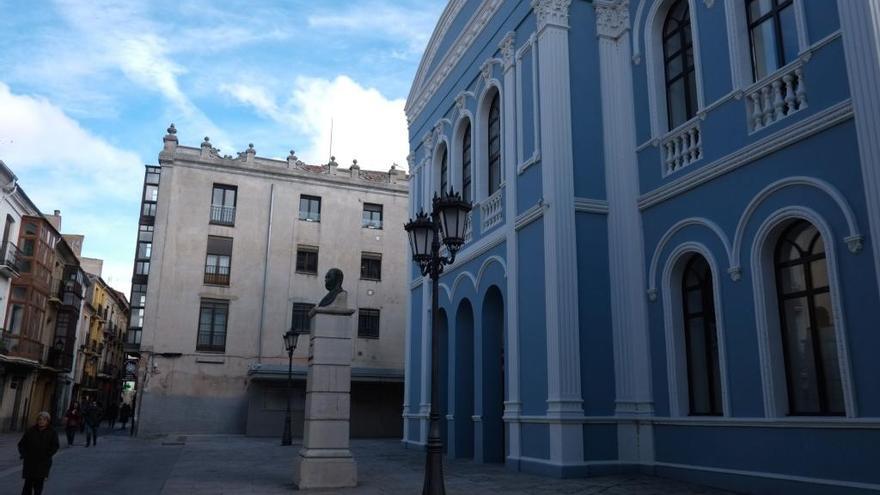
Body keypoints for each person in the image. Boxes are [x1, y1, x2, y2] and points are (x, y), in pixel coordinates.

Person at [17, 411, 59, 495]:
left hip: (43, 462)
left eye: (44, 420)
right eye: (39, 419)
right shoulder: (31, 430)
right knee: (27, 484)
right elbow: (21, 444)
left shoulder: (52, 432)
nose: (41, 421)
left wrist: (48, 454)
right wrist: (24, 454)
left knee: (38, 485)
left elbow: (55, 446)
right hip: (30, 462)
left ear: (47, 421)